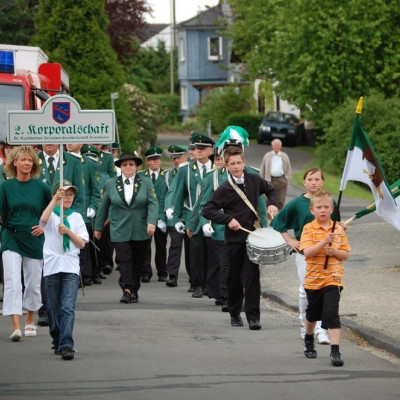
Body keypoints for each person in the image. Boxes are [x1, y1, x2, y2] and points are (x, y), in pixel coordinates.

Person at [202, 146, 279, 330]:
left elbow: (272, 191)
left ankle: (253, 317)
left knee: (252, 276)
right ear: (226, 166)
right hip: (233, 239)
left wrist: (273, 205)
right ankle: (235, 313)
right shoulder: (225, 188)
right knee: (233, 277)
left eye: (239, 163)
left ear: (244, 163)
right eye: (232, 164)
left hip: (253, 237)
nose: (236, 167)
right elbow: (208, 209)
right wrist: (227, 219)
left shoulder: (254, 180)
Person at [270, 167, 340, 344]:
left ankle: (322, 329)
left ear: (323, 181)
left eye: (317, 179)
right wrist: (290, 241)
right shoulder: (297, 203)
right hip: (305, 254)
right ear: (304, 182)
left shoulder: (330, 202)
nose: (314, 182)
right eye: (310, 179)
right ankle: (305, 325)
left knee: (327, 290)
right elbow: (279, 222)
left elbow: (336, 224)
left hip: (327, 254)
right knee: (306, 290)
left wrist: (339, 232)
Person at [0, 146, 52, 341]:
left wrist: (44, 227)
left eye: (30, 160)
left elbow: (53, 212)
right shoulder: (5, 186)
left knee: (32, 283)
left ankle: (30, 319)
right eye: (23, 160)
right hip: (11, 236)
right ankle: (15, 325)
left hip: (34, 237)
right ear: (14, 162)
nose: (27, 163)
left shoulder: (42, 187)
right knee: (13, 281)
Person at [93, 152, 158, 304]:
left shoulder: (146, 182)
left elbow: (153, 203)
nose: (128, 167)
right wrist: (98, 227)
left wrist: (152, 221)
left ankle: (135, 289)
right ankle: (126, 289)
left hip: (141, 228)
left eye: (131, 164)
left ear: (136, 167)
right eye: (124, 164)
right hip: (119, 228)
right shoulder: (111, 183)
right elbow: (104, 206)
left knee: (138, 261)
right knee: (124, 260)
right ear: (120, 167)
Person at [299, 189, 350, 366]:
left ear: (332, 209)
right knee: (313, 314)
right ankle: (309, 338)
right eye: (319, 207)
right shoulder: (308, 228)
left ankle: (335, 351)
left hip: (333, 279)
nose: (323, 210)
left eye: (326, 207)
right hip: (313, 280)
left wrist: (334, 251)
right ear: (312, 210)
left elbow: (346, 254)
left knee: (331, 313)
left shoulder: (339, 229)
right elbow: (307, 252)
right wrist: (323, 242)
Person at [37, 144, 85, 327]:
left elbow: (79, 195)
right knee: (46, 267)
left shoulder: (71, 161)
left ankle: (62, 337)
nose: (49, 142)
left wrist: (72, 219)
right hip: (43, 219)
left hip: (66, 219)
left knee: (66, 301)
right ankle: (44, 309)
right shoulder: (35, 160)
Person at [40, 180, 89, 360]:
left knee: (67, 307)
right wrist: (54, 200)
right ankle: (57, 337)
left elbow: (82, 243)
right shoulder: (52, 215)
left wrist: (68, 231)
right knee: (53, 308)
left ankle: (67, 344)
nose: (68, 198)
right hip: (52, 265)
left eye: (70, 195)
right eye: (64, 194)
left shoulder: (76, 217)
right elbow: (42, 221)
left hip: (70, 266)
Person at [172, 133, 215, 298]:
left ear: (211, 151)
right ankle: (197, 284)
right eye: (196, 148)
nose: (198, 151)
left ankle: (210, 284)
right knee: (196, 252)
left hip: (212, 217)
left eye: (202, 148)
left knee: (211, 252)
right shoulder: (186, 169)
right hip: (192, 217)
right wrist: (176, 218)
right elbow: (179, 195)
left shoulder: (216, 169)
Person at [138, 146, 168, 283]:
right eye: (153, 160)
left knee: (161, 245)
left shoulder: (166, 176)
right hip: (145, 215)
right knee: (145, 245)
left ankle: (162, 271)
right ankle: (145, 272)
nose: (156, 162)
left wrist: (162, 216)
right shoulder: (141, 176)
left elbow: (166, 197)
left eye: (158, 159)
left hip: (160, 215)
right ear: (148, 162)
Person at [164, 145, 190, 288]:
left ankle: (194, 278)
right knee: (175, 245)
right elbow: (167, 194)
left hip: (190, 214)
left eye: (178, 157)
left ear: (185, 156)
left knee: (191, 249)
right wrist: (167, 210)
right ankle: (172, 275)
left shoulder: (190, 171)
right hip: (175, 215)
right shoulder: (168, 174)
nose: (176, 160)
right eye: (173, 158)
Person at [260, 139, 292, 210]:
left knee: (281, 200)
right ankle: (269, 217)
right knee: (269, 199)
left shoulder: (284, 156)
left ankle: (279, 215)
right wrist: (263, 179)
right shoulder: (267, 156)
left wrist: (287, 178)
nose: (277, 147)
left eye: (278, 145)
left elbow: (289, 168)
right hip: (270, 180)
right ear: (272, 146)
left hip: (282, 180)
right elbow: (262, 168)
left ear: (281, 146)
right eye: (275, 145)